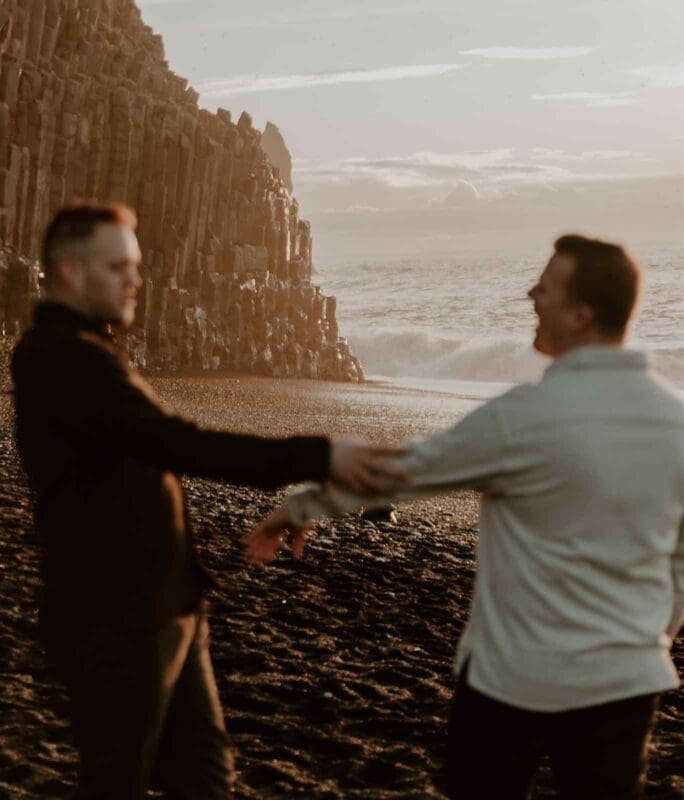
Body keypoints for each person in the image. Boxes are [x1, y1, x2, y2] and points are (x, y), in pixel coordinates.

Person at [246, 234, 684, 800]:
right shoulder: (675, 423)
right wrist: (653, 636)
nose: (530, 295)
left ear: (580, 314)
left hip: (512, 680)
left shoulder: (524, 418)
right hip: (626, 684)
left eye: (544, 287)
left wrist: (301, 505)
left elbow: (405, 472)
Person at [11, 201, 405, 800]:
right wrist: (320, 456)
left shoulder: (91, 348)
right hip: (116, 613)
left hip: (170, 603)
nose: (136, 279)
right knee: (118, 780)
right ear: (67, 271)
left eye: (135, 265)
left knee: (207, 780)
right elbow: (180, 444)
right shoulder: (64, 359)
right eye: (118, 267)